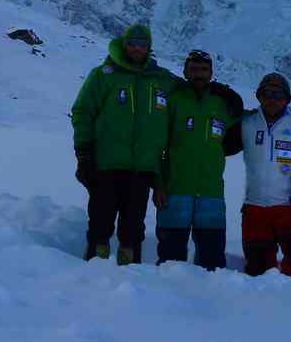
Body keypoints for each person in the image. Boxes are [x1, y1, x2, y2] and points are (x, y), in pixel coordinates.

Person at [70, 24, 179, 265]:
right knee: (100, 226)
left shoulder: (161, 80)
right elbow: (82, 112)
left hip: (141, 170)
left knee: (132, 231)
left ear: (149, 47)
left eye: (143, 44)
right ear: (125, 44)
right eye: (133, 43)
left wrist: (223, 96)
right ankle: (92, 277)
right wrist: (84, 154)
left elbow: (191, 94)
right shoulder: (103, 75)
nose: (137, 48)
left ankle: (129, 282)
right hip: (105, 166)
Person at [223, 72, 291, 280]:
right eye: (267, 94)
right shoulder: (247, 123)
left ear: (287, 99)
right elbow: (223, 145)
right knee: (257, 273)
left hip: (290, 210)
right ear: (259, 96)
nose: (272, 99)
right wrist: (224, 104)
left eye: (278, 95)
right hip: (254, 211)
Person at [154, 50, 243, 270]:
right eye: (193, 69)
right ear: (185, 71)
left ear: (211, 73)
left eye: (203, 70)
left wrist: (288, 116)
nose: (199, 74)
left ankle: (209, 302)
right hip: (175, 191)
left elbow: (253, 121)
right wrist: (157, 183)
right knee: (170, 261)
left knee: (212, 262)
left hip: (211, 193)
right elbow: (155, 144)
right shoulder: (173, 100)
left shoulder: (223, 103)